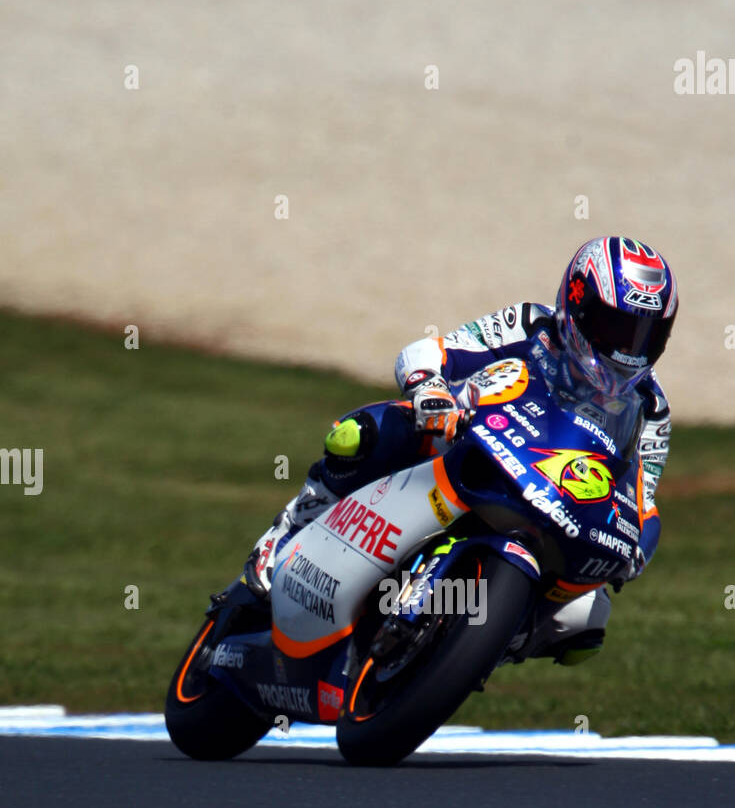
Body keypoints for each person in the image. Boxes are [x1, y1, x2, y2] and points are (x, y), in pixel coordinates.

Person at [244, 236, 677, 665]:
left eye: (644, 336)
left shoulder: (651, 407)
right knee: (363, 434)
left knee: (587, 619)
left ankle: (468, 646)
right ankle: (290, 529)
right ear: (576, 301)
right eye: (618, 328)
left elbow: (642, 497)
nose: (628, 349)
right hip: (466, 442)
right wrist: (430, 389)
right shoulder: (531, 324)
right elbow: (431, 352)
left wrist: (638, 549)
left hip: (559, 502)